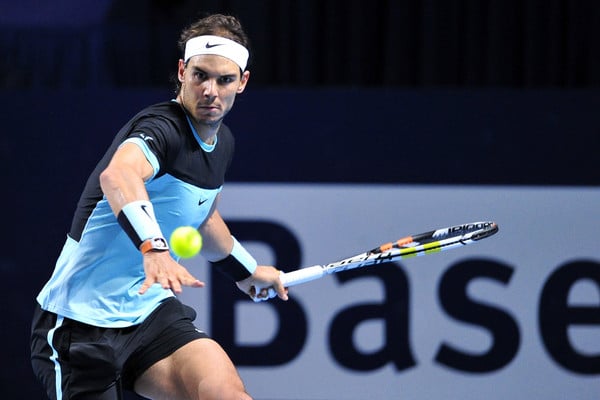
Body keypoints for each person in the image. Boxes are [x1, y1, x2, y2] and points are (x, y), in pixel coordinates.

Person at [30, 13, 288, 400]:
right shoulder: (160, 128)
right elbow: (118, 177)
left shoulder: (224, 144)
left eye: (224, 79)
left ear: (243, 82)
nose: (210, 91)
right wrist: (153, 247)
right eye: (200, 75)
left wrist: (248, 271)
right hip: (79, 325)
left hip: (150, 315)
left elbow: (204, 219)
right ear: (183, 71)